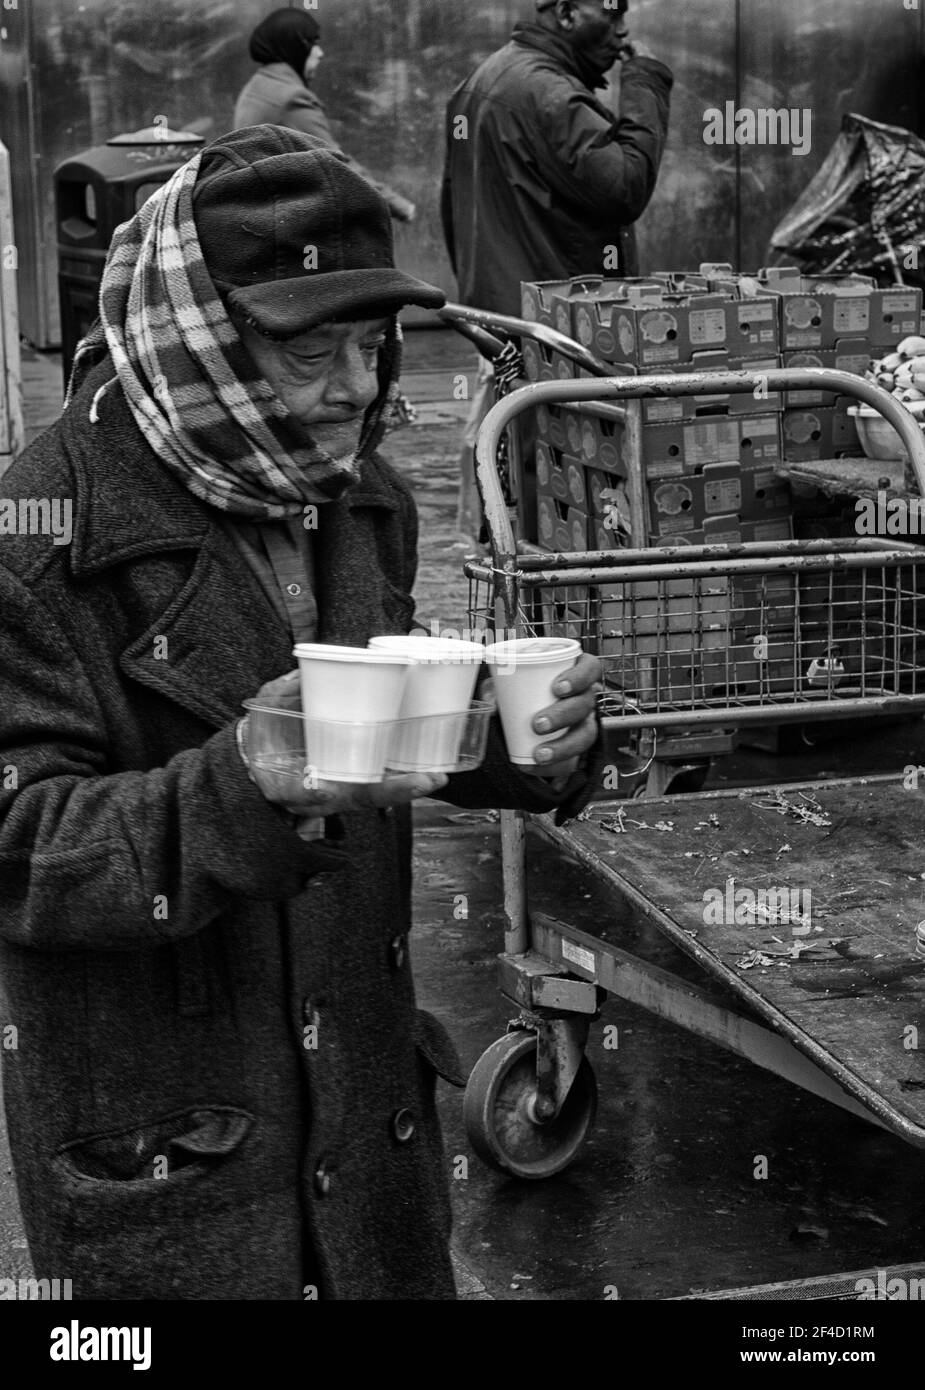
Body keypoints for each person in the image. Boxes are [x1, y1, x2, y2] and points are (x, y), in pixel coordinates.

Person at [0, 124, 604, 1301]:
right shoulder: (39, 534)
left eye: (373, 345)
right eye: (304, 351)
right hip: (173, 1129)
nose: (359, 388)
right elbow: (22, 850)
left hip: (366, 1105)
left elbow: (384, 739)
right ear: (203, 335)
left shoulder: (359, 494)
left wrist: (520, 746)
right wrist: (247, 779)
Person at [440, 0, 674, 539]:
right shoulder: (545, 93)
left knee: (529, 489)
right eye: (609, 15)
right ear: (567, 13)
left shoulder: (490, 77)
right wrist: (645, 84)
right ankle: (549, 612)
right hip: (549, 334)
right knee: (558, 494)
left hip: (510, 318)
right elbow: (623, 186)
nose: (623, 31)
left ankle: (526, 602)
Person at [233, 6, 416, 223]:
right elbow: (335, 164)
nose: (320, 53)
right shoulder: (291, 97)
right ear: (295, 47)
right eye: (314, 44)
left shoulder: (260, 84)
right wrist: (396, 204)